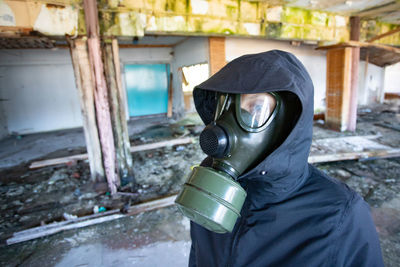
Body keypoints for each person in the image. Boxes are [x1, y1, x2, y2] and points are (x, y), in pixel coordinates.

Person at [182, 50, 383, 266]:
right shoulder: (210, 181)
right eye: (224, 106)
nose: (224, 125)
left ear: (289, 122)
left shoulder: (341, 216)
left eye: (255, 107)